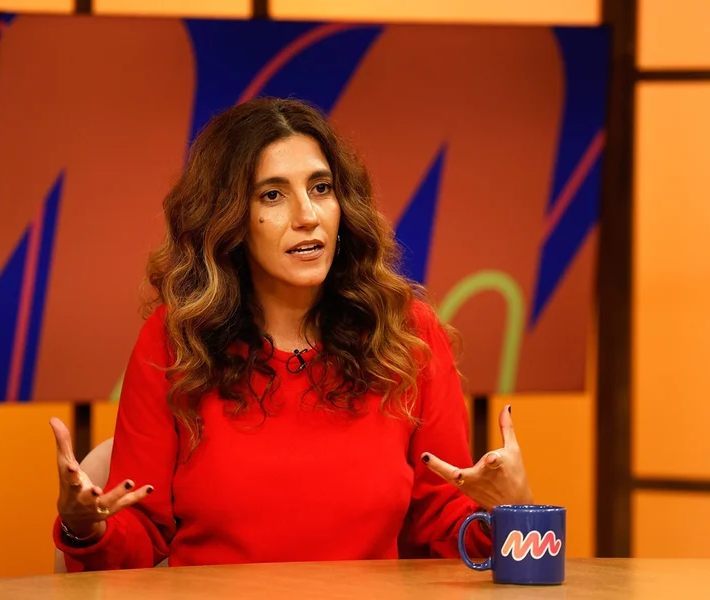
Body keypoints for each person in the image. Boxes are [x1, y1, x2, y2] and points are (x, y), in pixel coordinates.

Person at [49, 97, 533, 572]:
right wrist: (84, 529)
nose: (307, 215)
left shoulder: (406, 334)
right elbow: (137, 538)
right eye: (272, 195)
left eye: (321, 188)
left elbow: (447, 531)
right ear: (230, 219)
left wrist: (509, 510)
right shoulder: (175, 341)